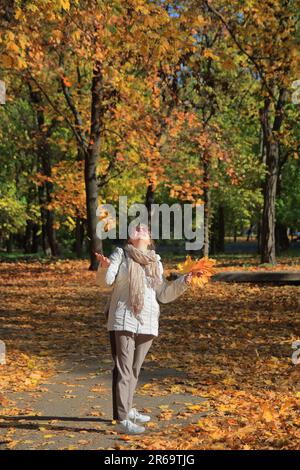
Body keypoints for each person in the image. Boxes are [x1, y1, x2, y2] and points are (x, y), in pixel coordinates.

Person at [95, 224, 198, 435]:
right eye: (136, 228)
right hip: (123, 318)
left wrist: (183, 282)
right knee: (124, 369)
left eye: (145, 229)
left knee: (133, 370)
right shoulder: (120, 255)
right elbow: (106, 282)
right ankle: (123, 419)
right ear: (129, 238)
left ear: (150, 240)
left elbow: (163, 295)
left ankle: (127, 409)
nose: (141, 229)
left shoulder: (155, 263)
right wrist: (105, 266)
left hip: (148, 321)